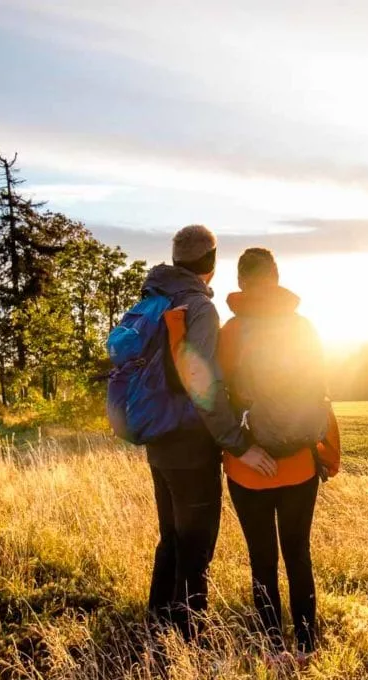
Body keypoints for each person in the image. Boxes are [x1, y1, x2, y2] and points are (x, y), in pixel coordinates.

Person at [144, 226, 277, 640]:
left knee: (171, 538)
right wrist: (237, 442)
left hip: (158, 438)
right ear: (212, 263)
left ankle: (157, 626)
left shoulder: (153, 296)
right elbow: (200, 383)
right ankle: (190, 639)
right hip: (190, 444)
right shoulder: (200, 308)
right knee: (196, 545)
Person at [218, 248, 340, 664]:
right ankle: (306, 647)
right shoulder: (303, 327)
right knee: (298, 554)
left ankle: (273, 649)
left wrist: (239, 447)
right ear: (276, 276)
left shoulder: (233, 331)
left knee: (263, 560)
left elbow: (216, 397)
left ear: (241, 282)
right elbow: (321, 391)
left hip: (248, 466)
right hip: (300, 463)